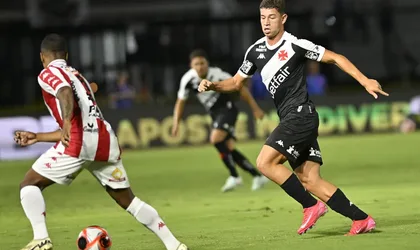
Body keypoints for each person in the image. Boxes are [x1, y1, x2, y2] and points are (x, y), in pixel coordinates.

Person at [198, 0, 388, 235]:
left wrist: (365, 80)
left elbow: (336, 58)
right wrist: (213, 85)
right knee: (310, 180)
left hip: (300, 117)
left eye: (272, 17)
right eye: (262, 18)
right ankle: (361, 219)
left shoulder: (296, 44)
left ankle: (311, 205)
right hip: (295, 119)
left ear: (283, 19)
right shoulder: (255, 51)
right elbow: (236, 82)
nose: (266, 23)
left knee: (264, 163)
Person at [15, 34, 188, 250]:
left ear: (42, 57)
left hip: (80, 142)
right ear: (66, 55)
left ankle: (41, 238)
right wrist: (39, 137)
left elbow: (64, 93)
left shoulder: (48, 73)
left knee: (29, 184)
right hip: (104, 139)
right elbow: (80, 121)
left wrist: (67, 122)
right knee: (129, 201)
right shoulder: (78, 75)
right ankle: (175, 245)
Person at [172, 49, 268, 192]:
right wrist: (176, 123)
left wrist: (255, 108)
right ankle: (256, 176)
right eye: (196, 64)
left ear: (207, 63)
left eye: (202, 63)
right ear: (191, 65)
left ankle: (234, 177)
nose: (200, 67)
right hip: (214, 114)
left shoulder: (218, 74)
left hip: (227, 109)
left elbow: (240, 87)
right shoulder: (187, 79)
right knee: (228, 147)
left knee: (215, 139)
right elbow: (180, 102)